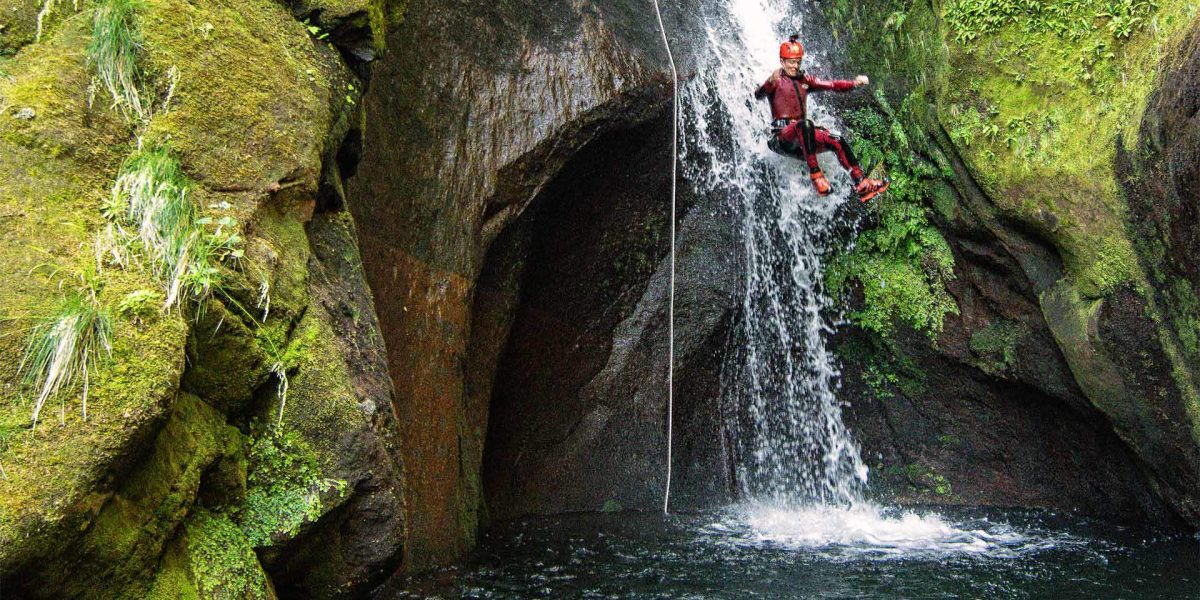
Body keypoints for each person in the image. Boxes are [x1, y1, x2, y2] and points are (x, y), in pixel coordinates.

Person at [754, 35, 889, 202]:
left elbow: (832, 85)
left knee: (836, 140)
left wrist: (854, 83)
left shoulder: (805, 80)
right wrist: (768, 82)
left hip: (803, 138)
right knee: (805, 125)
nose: (795, 66)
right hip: (782, 138)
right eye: (791, 62)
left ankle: (861, 184)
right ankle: (816, 175)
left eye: (798, 62)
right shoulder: (775, 81)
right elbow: (757, 95)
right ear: (782, 62)